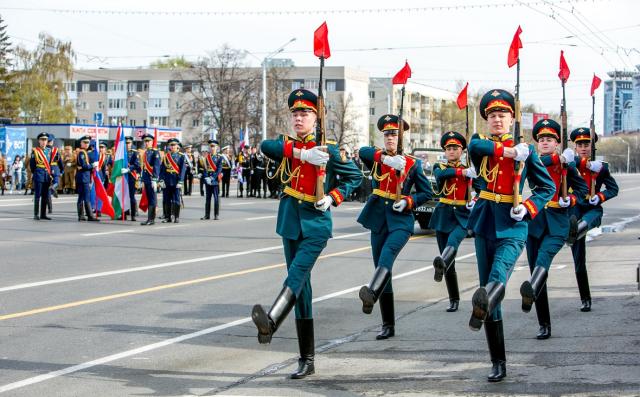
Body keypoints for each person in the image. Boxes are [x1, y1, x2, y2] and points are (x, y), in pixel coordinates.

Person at [251, 89, 361, 379]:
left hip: (315, 224)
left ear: (317, 117)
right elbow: (265, 146)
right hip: (290, 221)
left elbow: (355, 177)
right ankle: (307, 359)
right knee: (303, 290)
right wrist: (302, 153)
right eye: (295, 114)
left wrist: (334, 197)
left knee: (296, 275)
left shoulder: (330, 149)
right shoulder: (287, 145)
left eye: (305, 114)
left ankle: (272, 320)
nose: (299, 118)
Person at [466, 89, 554, 382]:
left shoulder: (527, 154)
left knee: (496, 278)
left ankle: (483, 304)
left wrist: (528, 208)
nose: (497, 120)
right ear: (487, 120)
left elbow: (547, 189)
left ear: (512, 118)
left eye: (503, 115)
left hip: (513, 225)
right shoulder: (480, 146)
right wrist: (508, 151)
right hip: (484, 222)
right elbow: (476, 148)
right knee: (489, 294)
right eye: (492, 115)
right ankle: (498, 362)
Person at [357, 114, 432, 340]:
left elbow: (427, 192)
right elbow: (363, 152)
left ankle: (371, 292)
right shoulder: (378, 158)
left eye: (394, 134)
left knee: (386, 257)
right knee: (382, 268)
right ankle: (388, 325)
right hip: (378, 219)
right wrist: (387, 159)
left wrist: (409, 201)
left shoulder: (413, 163)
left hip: (401, 220)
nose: (390, 138)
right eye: (387, 134)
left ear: (401, 137)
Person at [521, 119, 588, 340]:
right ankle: (544, 324)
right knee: (536, 275)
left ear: (557, 143)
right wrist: (560, 159)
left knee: (543, 260)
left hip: (558, 223)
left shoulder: (567, 165)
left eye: (550, 139)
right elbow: (540, 162)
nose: (545, 142)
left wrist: (571, 200)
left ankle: (533, 291)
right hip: (535, 222)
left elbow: (583, 189)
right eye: (541, 140)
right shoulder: (536, 161)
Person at [566, 127, 618, 312]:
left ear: (592, 145)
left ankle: (577, 229)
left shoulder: (601, 167)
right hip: (574, 210)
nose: (583, 148)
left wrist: (600, 197)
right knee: (579, 261)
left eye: (587, 144)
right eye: (579, 144)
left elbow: (613, 189)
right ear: (574, 146)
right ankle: (585, 298)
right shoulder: (570, 164)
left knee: (592, 216)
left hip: (592, 208)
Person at [430, 131, 478, 312]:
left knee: (452, 245)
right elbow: (441, 176)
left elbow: (482, 189)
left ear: (462, 150)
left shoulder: (470, 169)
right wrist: (462, 172)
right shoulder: (440, 166)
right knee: (448, 264)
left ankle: (441, 261)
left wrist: (475, 198)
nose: (451, 151)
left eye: (455, 148)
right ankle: (454, 299)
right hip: (443, 215)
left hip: (463, 217)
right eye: (449, 148)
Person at [29, 132, 56, 220]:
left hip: (47, 176)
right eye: (42, 140)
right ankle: (36, 214)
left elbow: (50, 163)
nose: (44, 142)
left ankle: (43, 214)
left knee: (45, 195)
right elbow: (32, 165)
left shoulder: (49, 151)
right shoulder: (35, 151)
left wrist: (51, 174)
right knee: (38, 195)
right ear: (39, 141)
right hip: (39, 175)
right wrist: (36, 172)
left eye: (45, 140)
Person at [160, 138, 186, 223]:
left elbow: (182, 170)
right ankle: (168, 217)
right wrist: (161, 180)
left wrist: (180, 181)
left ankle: (176, 216)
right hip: (167, 180)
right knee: (167, 199)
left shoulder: (181, 156)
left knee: (176, 200)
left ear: (177, 146)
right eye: (171, 145)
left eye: (174, 145)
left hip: (176, 180)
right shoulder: (166, 156)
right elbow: (162, 169)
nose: (173, 146)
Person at [74, 135, 99, 222]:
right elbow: (84, 165)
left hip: (84, 177)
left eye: (88, 142)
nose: (86, 144)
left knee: (82, 196)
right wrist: (92, 165)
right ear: (81, 143)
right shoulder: (82, 153)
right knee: (86, 197)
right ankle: (89, 216)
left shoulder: (85, 152)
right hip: (83, 177)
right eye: (85, 142)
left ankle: (81, 215)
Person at [140, 134, 161, 225]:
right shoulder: (145, 152)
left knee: (152, 199)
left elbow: (156, 166)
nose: (147, 143)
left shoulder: (155, 152)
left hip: (152, 179)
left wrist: (155, 179)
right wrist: (142, 179)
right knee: (149, 198)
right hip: (146, 179)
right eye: (145, 141)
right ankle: (149, 218)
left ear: (152, 142)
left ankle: (151, 219)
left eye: (148, 141)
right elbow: (144, 167)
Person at [200, 140, 223, 220]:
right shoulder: (207, 157)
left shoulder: (220, 157)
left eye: (213, 146)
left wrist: (212, 177)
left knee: (216, 198)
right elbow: (205, 169)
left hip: (215, 180)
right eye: (211, 146)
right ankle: (207, 215)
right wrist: (206, 177)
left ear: (217, 147)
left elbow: (219, 169)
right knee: (208, 198)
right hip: (208, 181)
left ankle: (216, 215)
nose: (212, 148)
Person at [122, 136, 141, 221]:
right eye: (126, 143)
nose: (127, 144)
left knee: (131, 196)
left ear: (131, 143)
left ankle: (133, 215)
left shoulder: (134, 153)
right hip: (122, 176)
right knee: (123, 196)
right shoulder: (121, 152)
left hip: (131, 176)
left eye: (129, 143)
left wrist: (129, 169)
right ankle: (124, 214)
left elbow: (137, 165)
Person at [46, 134, 62, 213]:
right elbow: (60, 162)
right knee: (56, 182)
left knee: (47, 191)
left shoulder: (43, 150)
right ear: (52, 141)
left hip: (46, 169)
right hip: (54, 168)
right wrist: (62, 170)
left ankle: (50, 208)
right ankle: (53, 187)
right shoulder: (56, 150)